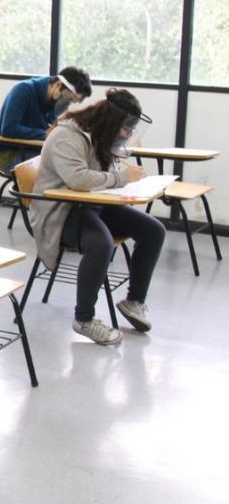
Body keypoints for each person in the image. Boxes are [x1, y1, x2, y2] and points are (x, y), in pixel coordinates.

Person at [29, 88, 163, 346]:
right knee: (101, 244)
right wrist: (122, 178)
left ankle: (134, 301)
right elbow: (78, 179)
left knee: (153, 231)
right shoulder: (68, 136)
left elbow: (99, 178)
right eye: (125, 129)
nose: (127, 134)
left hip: (90, 204)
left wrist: (122, 174)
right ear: (111, 122)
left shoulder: (101, 136)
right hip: (61, 212)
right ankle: (84, 319)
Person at [0, 66, 92, 172]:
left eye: (72, 101)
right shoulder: (23, 90)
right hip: (10, 154)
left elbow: (49, 127)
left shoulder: (52, 98)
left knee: (76, 160)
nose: (67, 104)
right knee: (65, 168)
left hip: (34, 148)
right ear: (58, 85)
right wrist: (45, 135)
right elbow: (9, 129)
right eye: (68, 98)